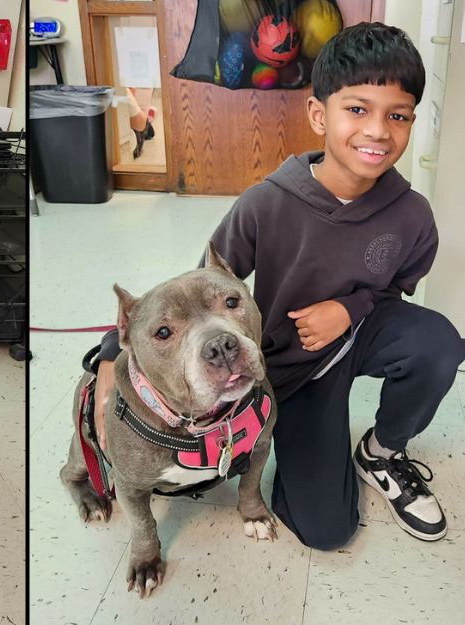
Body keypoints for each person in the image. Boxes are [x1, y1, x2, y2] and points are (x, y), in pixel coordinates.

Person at [89, 22, 465, 549]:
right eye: (357, 109)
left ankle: (381, 452)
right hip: (290, 370)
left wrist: (349, 307)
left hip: (359, 334)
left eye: (396, 115)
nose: (378, 130)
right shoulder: (265, 203)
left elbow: (394, 294)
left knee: (439, 342)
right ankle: (300, 441)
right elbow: (193, 296)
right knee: (327, 531)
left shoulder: (413, 216)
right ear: (319, 114)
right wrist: (111, 352)